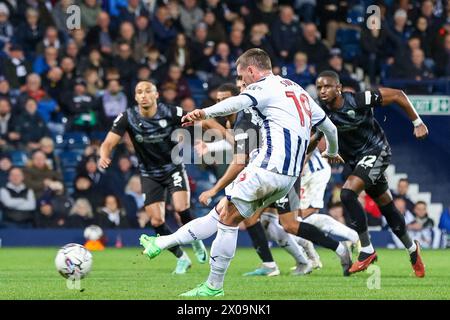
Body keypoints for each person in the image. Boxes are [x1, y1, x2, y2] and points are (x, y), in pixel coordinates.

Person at [139, 48, 346, 296]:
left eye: (241, 76)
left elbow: (237, 102)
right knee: (222, 213)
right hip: (288, 178)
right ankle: (161, 242)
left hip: (267, 167)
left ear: (251, 70)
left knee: (227, 219)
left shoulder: (262, 87)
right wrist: (331, 151)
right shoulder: (298, 90)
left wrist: (204, 112)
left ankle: (214, 286)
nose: (242, 83)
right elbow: (330, 128)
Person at [315, 70, 428, 277]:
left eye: (327, 86)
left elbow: (397, 95)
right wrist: (320, 152)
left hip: (377, 151)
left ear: (338, 88)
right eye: (319, 87)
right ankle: (413, 249)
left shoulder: (359, 100)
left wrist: (417, 122)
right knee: (386, 205)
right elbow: (315, 135)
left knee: (347, 194)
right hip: (355, 161)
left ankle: (366, 249)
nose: (322, 91)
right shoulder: (319, 111)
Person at [99, 81, 207, 274]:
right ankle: (182, 258)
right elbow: (108, 142)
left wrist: (198, 139)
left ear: (156, 95)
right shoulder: (128, 117)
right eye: (139, 92)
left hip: (173, 168)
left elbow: (196, 118)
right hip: (149, 173)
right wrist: (103, 155)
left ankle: (195, 240)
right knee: (156, 222)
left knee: (182, 209)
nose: (143, 95)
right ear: (135, 97)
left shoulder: (170, 112)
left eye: (148, 91)